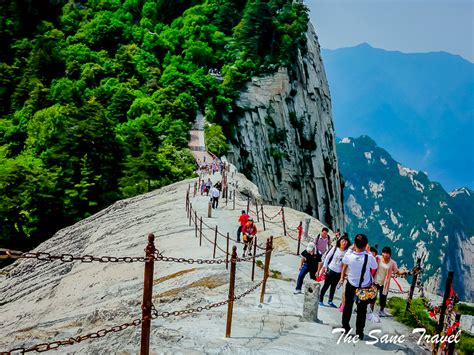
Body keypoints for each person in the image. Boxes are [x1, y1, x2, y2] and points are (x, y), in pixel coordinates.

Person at [340, 234, 377, 340]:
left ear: (355, 244)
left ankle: (345, 327)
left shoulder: (349, 256)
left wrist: (351, 248)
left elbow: (344, 261)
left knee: (347, 306)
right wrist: (368, 251)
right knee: (362, 310)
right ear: (366, 245)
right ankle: (359, 332)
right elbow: (375, 266)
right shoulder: (368, 257)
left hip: (351, 284)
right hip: (364, 287)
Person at [318, 235, 351, 307]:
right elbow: (327, 257)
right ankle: (320, 300)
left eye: (346, 241)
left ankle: (330, 301)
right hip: (331, 270)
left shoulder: (347, 252)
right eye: (342, 241)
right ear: (340, 242)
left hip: (338, 272)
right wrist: (324, 267)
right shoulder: (335, 248)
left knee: (333, 287)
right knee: (326, 286)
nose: (344, 243)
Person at [373, 246, 406, 317]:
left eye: (387, 253)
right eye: (384, 252)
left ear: (390, 254)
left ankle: (381, 311)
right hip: (375, 280)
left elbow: (397, 272)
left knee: (383, 296)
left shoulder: (393, 263)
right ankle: (370, 309)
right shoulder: (378, 258)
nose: (385, 254)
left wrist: (404, 272)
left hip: (385, 283)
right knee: (373, 295)